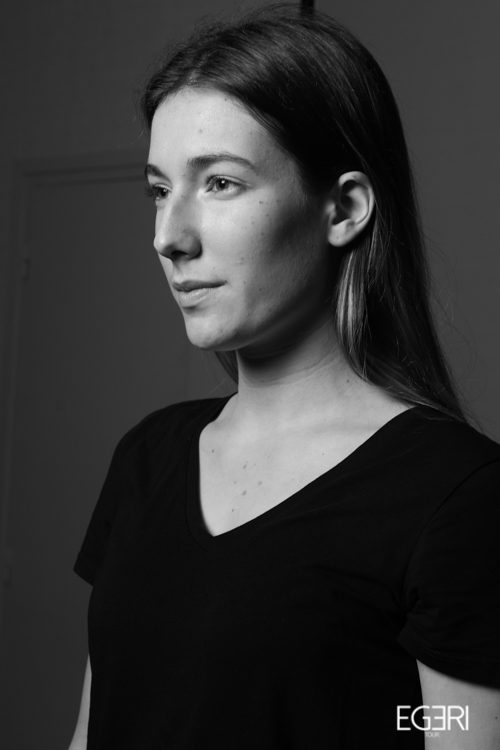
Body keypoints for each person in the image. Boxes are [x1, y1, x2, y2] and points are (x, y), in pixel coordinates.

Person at [68, 4, 500, 749]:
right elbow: (95, 728)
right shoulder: (147, 457)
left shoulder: (456, 496)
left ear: (344, 208)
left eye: (220, 183)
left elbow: (456, 728)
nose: (169, 237)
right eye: (159, 190)